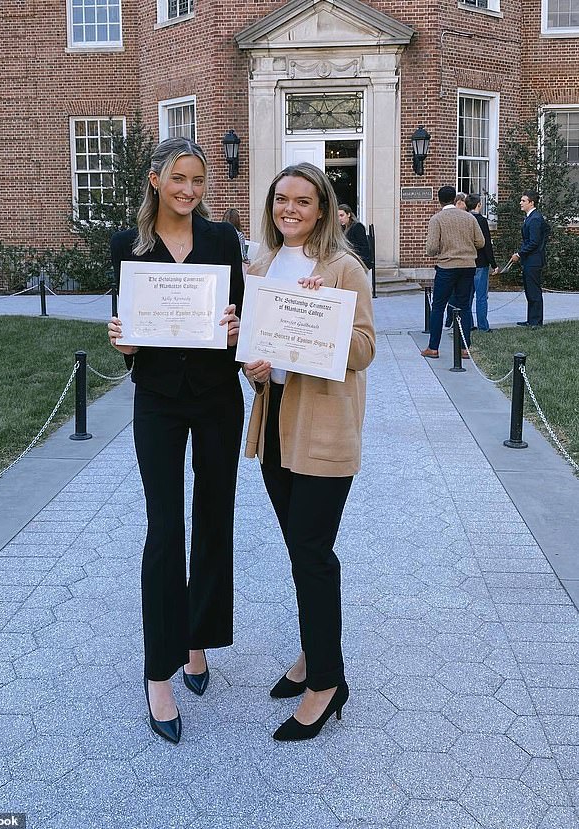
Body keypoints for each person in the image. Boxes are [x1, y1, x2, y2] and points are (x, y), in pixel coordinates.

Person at [107, 137, 244, 745]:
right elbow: (126, 323)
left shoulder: (222, 242)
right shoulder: (128, 246)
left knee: (214, 518)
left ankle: (198, 642)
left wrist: (240, 328)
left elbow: (237, 316)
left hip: (217, 397)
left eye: (198, 180)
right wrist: (124, 341)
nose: (189, 190)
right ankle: (157, 670)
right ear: (156, 180)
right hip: (159, 399)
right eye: (179, 178)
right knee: (165, 528)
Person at [243, 163, 376, 742]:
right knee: (299, 550)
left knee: (314, 552)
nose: (289, 209)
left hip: (322, 429)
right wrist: (253, 365)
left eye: (302, 200)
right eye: (281, 200)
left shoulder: (344, 268)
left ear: (322, 208)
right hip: (276, 426)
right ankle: (310, 651)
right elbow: (259, 348)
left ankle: (326, 680)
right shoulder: (263, 266)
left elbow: (365, 348)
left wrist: (324, 319)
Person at [421, 185, 484, 359]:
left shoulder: (437, 219)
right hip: (468, 266)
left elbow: (431, 248)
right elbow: (481, 242)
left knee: (439, 306)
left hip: (447, 267)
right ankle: (465, 348)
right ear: (455, 198)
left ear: (439, 200)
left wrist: (443, 248)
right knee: (464, 306)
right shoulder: (469, 218)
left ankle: (433, 347)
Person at [510, 190, 548, 327]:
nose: (521, 203)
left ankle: (536, 322)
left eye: (523, 201)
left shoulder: (535, 218)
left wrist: (519, 254)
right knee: (529, 291)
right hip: (530, 259)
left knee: (534, 291)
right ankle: (531, 320)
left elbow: (534, 242)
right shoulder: (531, 217)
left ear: (531, 203)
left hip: (534, 260)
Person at [465, 193, 498, 333]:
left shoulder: (464, 219)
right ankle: (483, 326)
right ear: (479, 205)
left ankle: (469, 324)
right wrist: (494, 264)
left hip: (466, 262)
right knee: (481, 297)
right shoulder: (481, 221)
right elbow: (486, 245)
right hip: (481, 263)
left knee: (467, 296)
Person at [444, 193, 469, 328]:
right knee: (459, 297)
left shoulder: (442, 218)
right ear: (458, 202)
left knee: (453, 295)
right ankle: (452, 319)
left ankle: (452, 320)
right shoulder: (468, 218)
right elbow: (480, 241)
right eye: (464, 202)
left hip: (449, 263)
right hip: (462, 263)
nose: (466, 205)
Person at [338, 204, 373, 271]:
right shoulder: (343, 228)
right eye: (338, 216)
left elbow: (363, 247)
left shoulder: (357, 226)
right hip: (350, 259)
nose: (340, 218)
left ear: (348, 215)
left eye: (342, 215)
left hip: (359, 261)